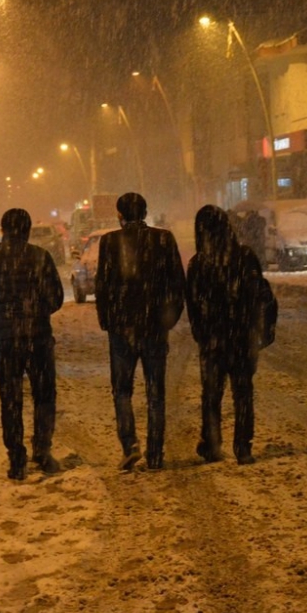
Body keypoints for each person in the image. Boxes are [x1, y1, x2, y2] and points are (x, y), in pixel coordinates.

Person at [95, 193, 186, 471]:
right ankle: (156, 453)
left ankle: (130, 444)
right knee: (155, 392)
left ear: (119, 215)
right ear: (145, 212)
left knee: (122, 390)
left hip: (122, 328)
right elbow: (177, 284)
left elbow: (103, 285)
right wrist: (167, 320)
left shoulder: (110, 242)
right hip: (154, 328)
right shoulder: (163, 239)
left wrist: (108, 320)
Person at [0, 208, 65, 480]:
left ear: (3, 229)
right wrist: (37, 312)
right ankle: (42, 450)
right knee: (44, 396)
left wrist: (3, 315)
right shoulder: (40, 257)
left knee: (10, 400)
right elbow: (56, 297)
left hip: (5, 340)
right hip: (38, 338)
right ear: (27, 230)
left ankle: (16, 457)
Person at [185, 205, 276, 465]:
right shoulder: (245, 257)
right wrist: (259, 329)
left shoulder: (198, 264)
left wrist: (202, 334)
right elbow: (262, 295)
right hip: (242, 338)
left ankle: (212, 443)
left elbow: (193, 305)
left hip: (213, 341)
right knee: (243, 393)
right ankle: (243, 446)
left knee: (212, 394)